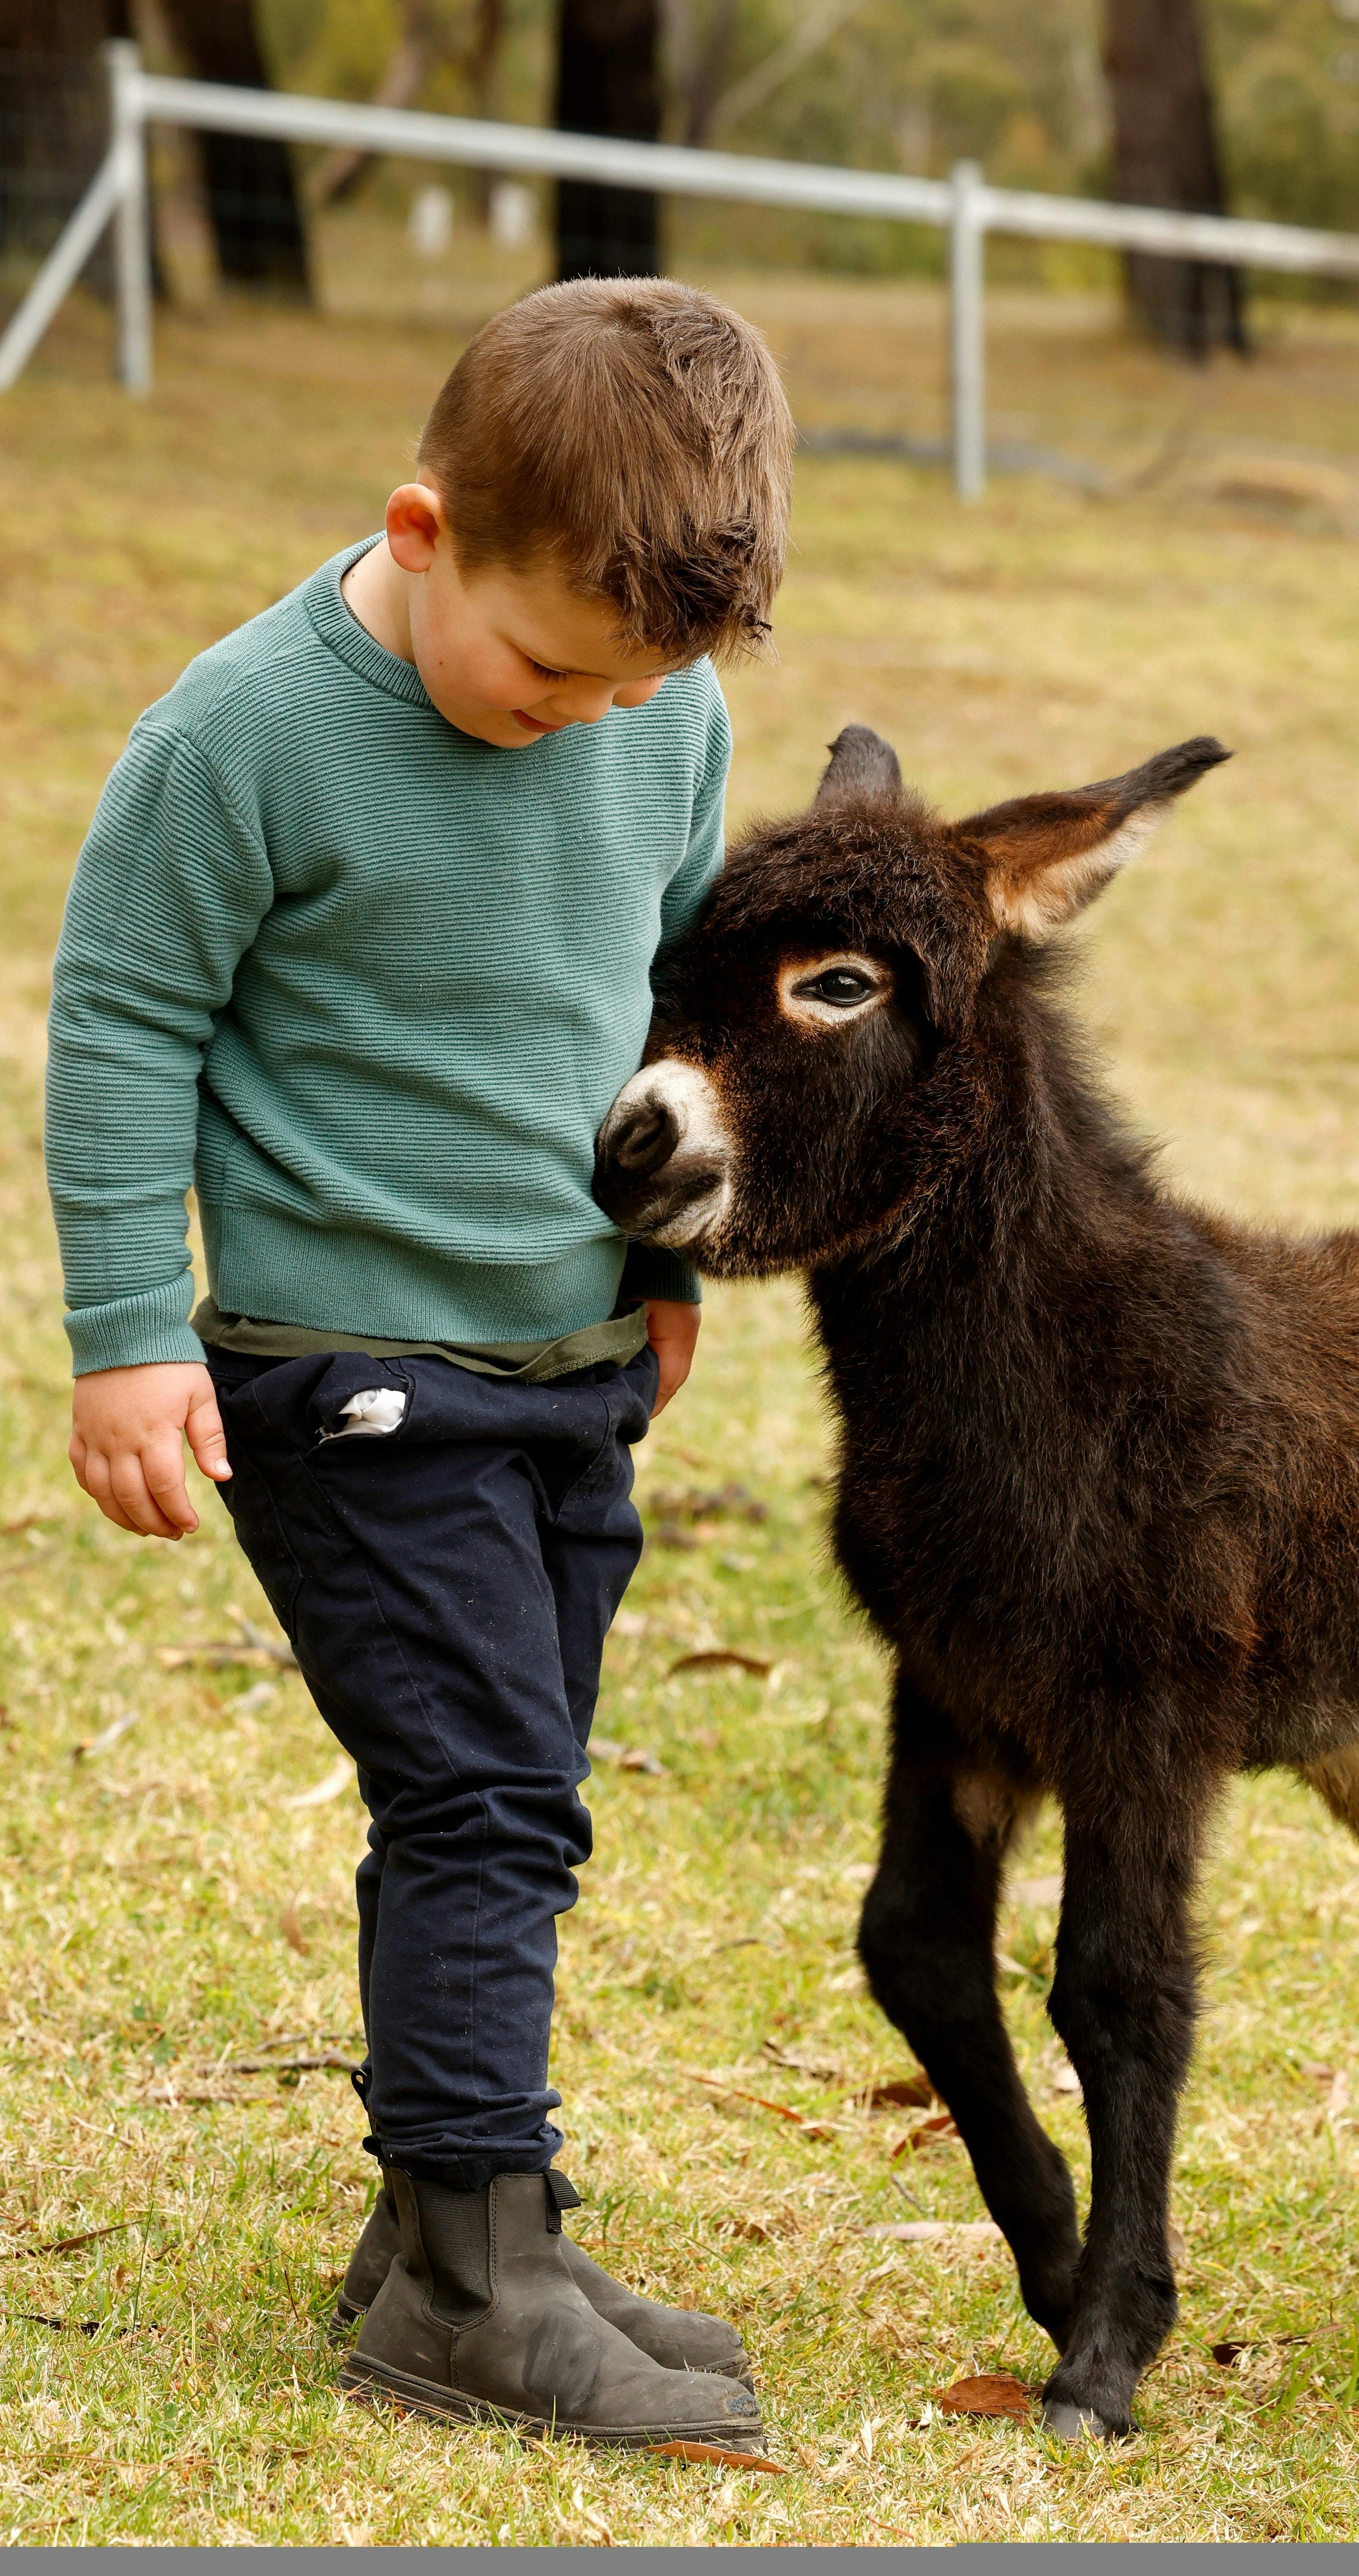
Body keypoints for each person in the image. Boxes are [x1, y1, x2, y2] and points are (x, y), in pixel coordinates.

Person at [43, 278, 793, 2450]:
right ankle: (471, 2281)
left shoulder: (654, 714)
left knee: (504, 1795)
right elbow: (121, 1027)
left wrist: (671, 1261)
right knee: (484, 1795)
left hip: (568, 1362)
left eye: (637, 683)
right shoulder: (240, 737)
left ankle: (458, 2223)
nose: (591, 715)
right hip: (345, 1371)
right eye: (552, 667)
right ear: (424, 525)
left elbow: (656, 994)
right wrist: (120, 1340)